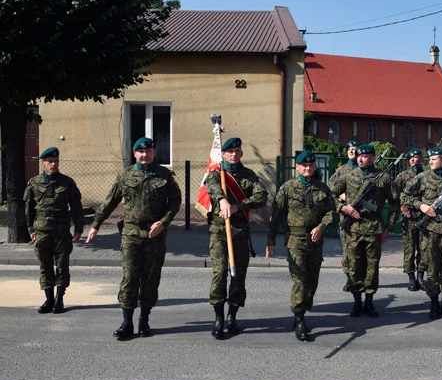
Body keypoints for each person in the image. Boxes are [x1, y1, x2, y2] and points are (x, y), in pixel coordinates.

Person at [86, 137, 182, 339]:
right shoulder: (125, 175)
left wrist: (163, 222)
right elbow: (110, 201)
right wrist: (96, 224)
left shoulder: (164, 175)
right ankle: (127, 322)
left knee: (151, 279)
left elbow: (175, 202)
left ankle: (144, 320)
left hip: (154, 236)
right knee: (130, 278)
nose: (144, 155)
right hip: (131, 235)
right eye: (140, 152)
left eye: (148, 151)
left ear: (154, 153)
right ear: (134, 154)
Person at [204, 137, 269, 339]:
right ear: (223, 154)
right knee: (220, 272)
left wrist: (237, 206)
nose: (233, 155)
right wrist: (223, 200)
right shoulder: (216, 174)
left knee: (238, 275)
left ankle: (232, 315)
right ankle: (218, 318)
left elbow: (261, 196)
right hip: (219, 231)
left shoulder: (248, 175)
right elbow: (212, 189)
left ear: (240, 154)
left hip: (240, 231)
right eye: (229, 152)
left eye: (236, 151)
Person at [267, 151, 335, 341]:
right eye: (303, 165)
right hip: (295, 239)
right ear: (297, 167)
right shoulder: (288, 188)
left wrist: (322, 226)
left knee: (312, 279)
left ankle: (305, 306)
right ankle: (298, 317)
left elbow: (331, 212)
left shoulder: (322, 188)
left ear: (315, 167)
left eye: (311, 165)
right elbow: (276, 215)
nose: (307, 168)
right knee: (300, 279)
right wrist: (270, 240)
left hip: (315, 239)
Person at [331, 144, 399, 317]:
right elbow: (329, 195)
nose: (361, 158)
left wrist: (389, 227)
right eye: (359, 156)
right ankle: (356, 301)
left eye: (365, 156)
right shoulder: (348, 176)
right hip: (352, 229)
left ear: (373, 158)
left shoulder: (383, 178)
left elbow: (395, 203)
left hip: (373, 229)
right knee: (354, 267)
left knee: (372, 267)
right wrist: (342, 208)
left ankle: (369, 301)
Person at [403, 147, 442, 319]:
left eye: (434, 158)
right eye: (429, 159)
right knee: (432, 269)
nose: (430, 161)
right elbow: (405, 197)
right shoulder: (422, 178)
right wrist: (421, 206)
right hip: (429, 233)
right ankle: (433, 304)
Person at [23, 147, 83, 314]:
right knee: (45, 265)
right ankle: (48, 299)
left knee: (62, 265)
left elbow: (77, 207)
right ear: (43, 163)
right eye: (50, 162)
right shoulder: (34, 183)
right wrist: (30, 229)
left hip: (62, 230)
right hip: (42, 230)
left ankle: (59, 299)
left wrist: (79, 228)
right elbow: (29, 208)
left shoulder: (67, 182)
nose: (53, 164)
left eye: (56, 161)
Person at [330, 140, 361, 292]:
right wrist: (343, 197)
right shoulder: (342, 170)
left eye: (355, 149)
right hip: (347, 214)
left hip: (362, 216)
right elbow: (331, 188)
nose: (352, 151)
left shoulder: (364, 168)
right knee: (347, 248)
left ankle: (361, 278)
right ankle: (349, 277)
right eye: (349, 149)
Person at [395, 148, 426, 291]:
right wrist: (402, 206)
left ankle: (420, 276)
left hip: (425, 217)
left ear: (422, 158)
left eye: (417, 157)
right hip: (409, 218)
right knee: (409, 249)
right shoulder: (403, 176)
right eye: (411, 158)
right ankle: (411, 277)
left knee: (423, 249)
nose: (414, 160)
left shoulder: (427, 175)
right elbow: (394, 195)